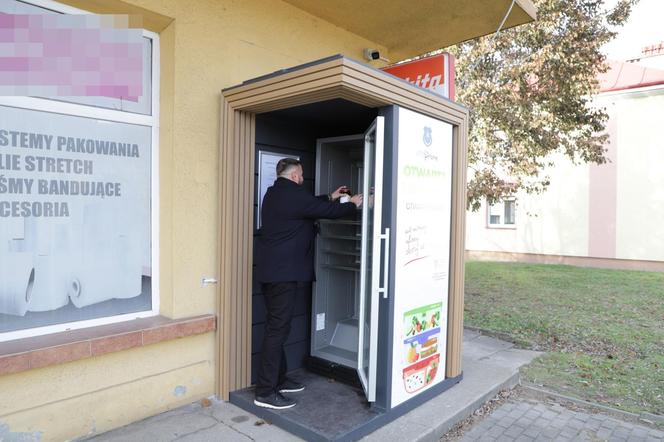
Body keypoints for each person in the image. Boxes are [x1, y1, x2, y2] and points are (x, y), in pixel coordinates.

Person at [254, 157, 363, 409]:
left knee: (276, 328)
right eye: (301, 175)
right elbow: (327, 213)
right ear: (294, 176)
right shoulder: (292, 195)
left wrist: (331, 195)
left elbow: (310, 205)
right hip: (282, 276)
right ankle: (265, 392)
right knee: (276, 331)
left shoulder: (276, 193)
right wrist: (353, 204)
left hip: (273, 273)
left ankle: (277, 379)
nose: (303, 179)